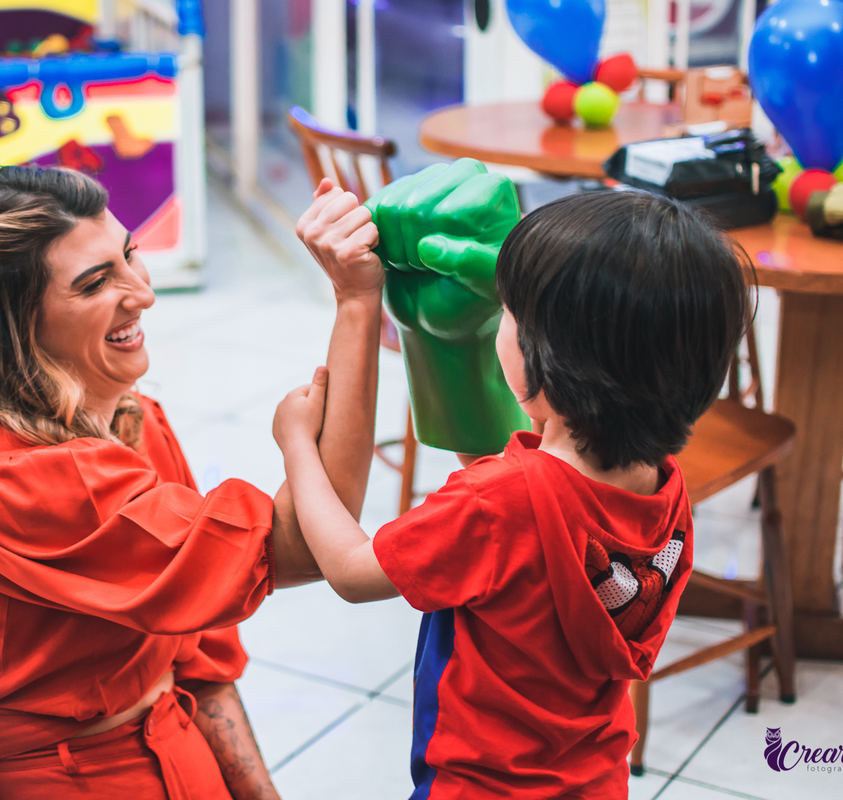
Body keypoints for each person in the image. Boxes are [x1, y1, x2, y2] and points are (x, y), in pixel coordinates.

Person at [273, 179, 753, 798]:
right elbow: (522, 515)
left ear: (545, 361)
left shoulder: (498, 504)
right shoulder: (663, 487)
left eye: (509, 313)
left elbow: (349, 570)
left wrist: (297, 449)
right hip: (592, 780)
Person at [0, 165, 384, 799]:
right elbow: (313, 547)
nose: (141, 294)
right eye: (94, 283)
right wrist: (356, 303)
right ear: (17, 320)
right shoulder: (22, 482)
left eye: (129, 255)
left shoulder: (133, 420)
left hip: (170, 739)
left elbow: (199, 653)